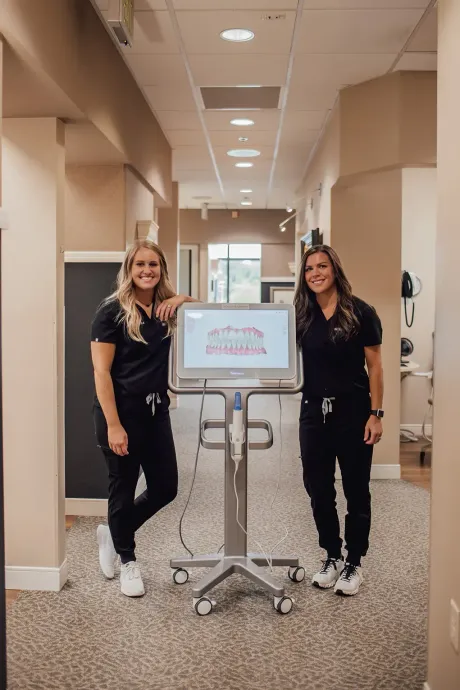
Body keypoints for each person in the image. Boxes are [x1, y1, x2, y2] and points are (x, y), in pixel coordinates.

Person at [91, 239, 198, 597]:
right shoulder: (111, 312)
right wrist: (113, 425)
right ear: (129, 269)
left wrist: (182, 298)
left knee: (166, 487)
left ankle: (113, 530)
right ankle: (128, 560)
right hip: (122, 414)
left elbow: (208, 314)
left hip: (156, 413)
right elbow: (101, 373)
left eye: (153, 264)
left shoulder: (165, 309)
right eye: (140, 264)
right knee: (122, 488)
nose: (147, 270)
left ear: (161, 269)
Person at [294, 245, 383, 596]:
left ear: (334, 270)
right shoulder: (302, 315)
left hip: (353, 411)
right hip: (313, 411)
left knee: (356, 490)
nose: (316, 273)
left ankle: (354, 562)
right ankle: (331, 554)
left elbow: (375, 366)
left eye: (322, 266)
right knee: (318, 489)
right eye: (309, 268)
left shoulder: (361, 312)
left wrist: (376, 414)